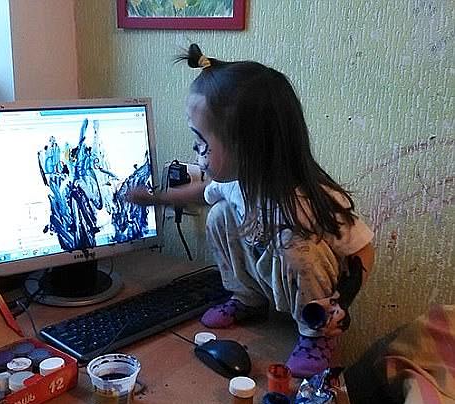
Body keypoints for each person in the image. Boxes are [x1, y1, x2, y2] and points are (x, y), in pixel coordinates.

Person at [127, 44, 375, 378]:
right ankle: (247, 299)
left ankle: (315, 339)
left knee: (294, 242)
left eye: (203, 143)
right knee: (219, 213)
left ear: (247, 146)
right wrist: (156, 198)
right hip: (267, 278)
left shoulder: (306, 200)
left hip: (318, 302)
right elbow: (203, 193)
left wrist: (340, 302)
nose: (196, 152)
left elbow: (363, 248)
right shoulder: (239, 182)